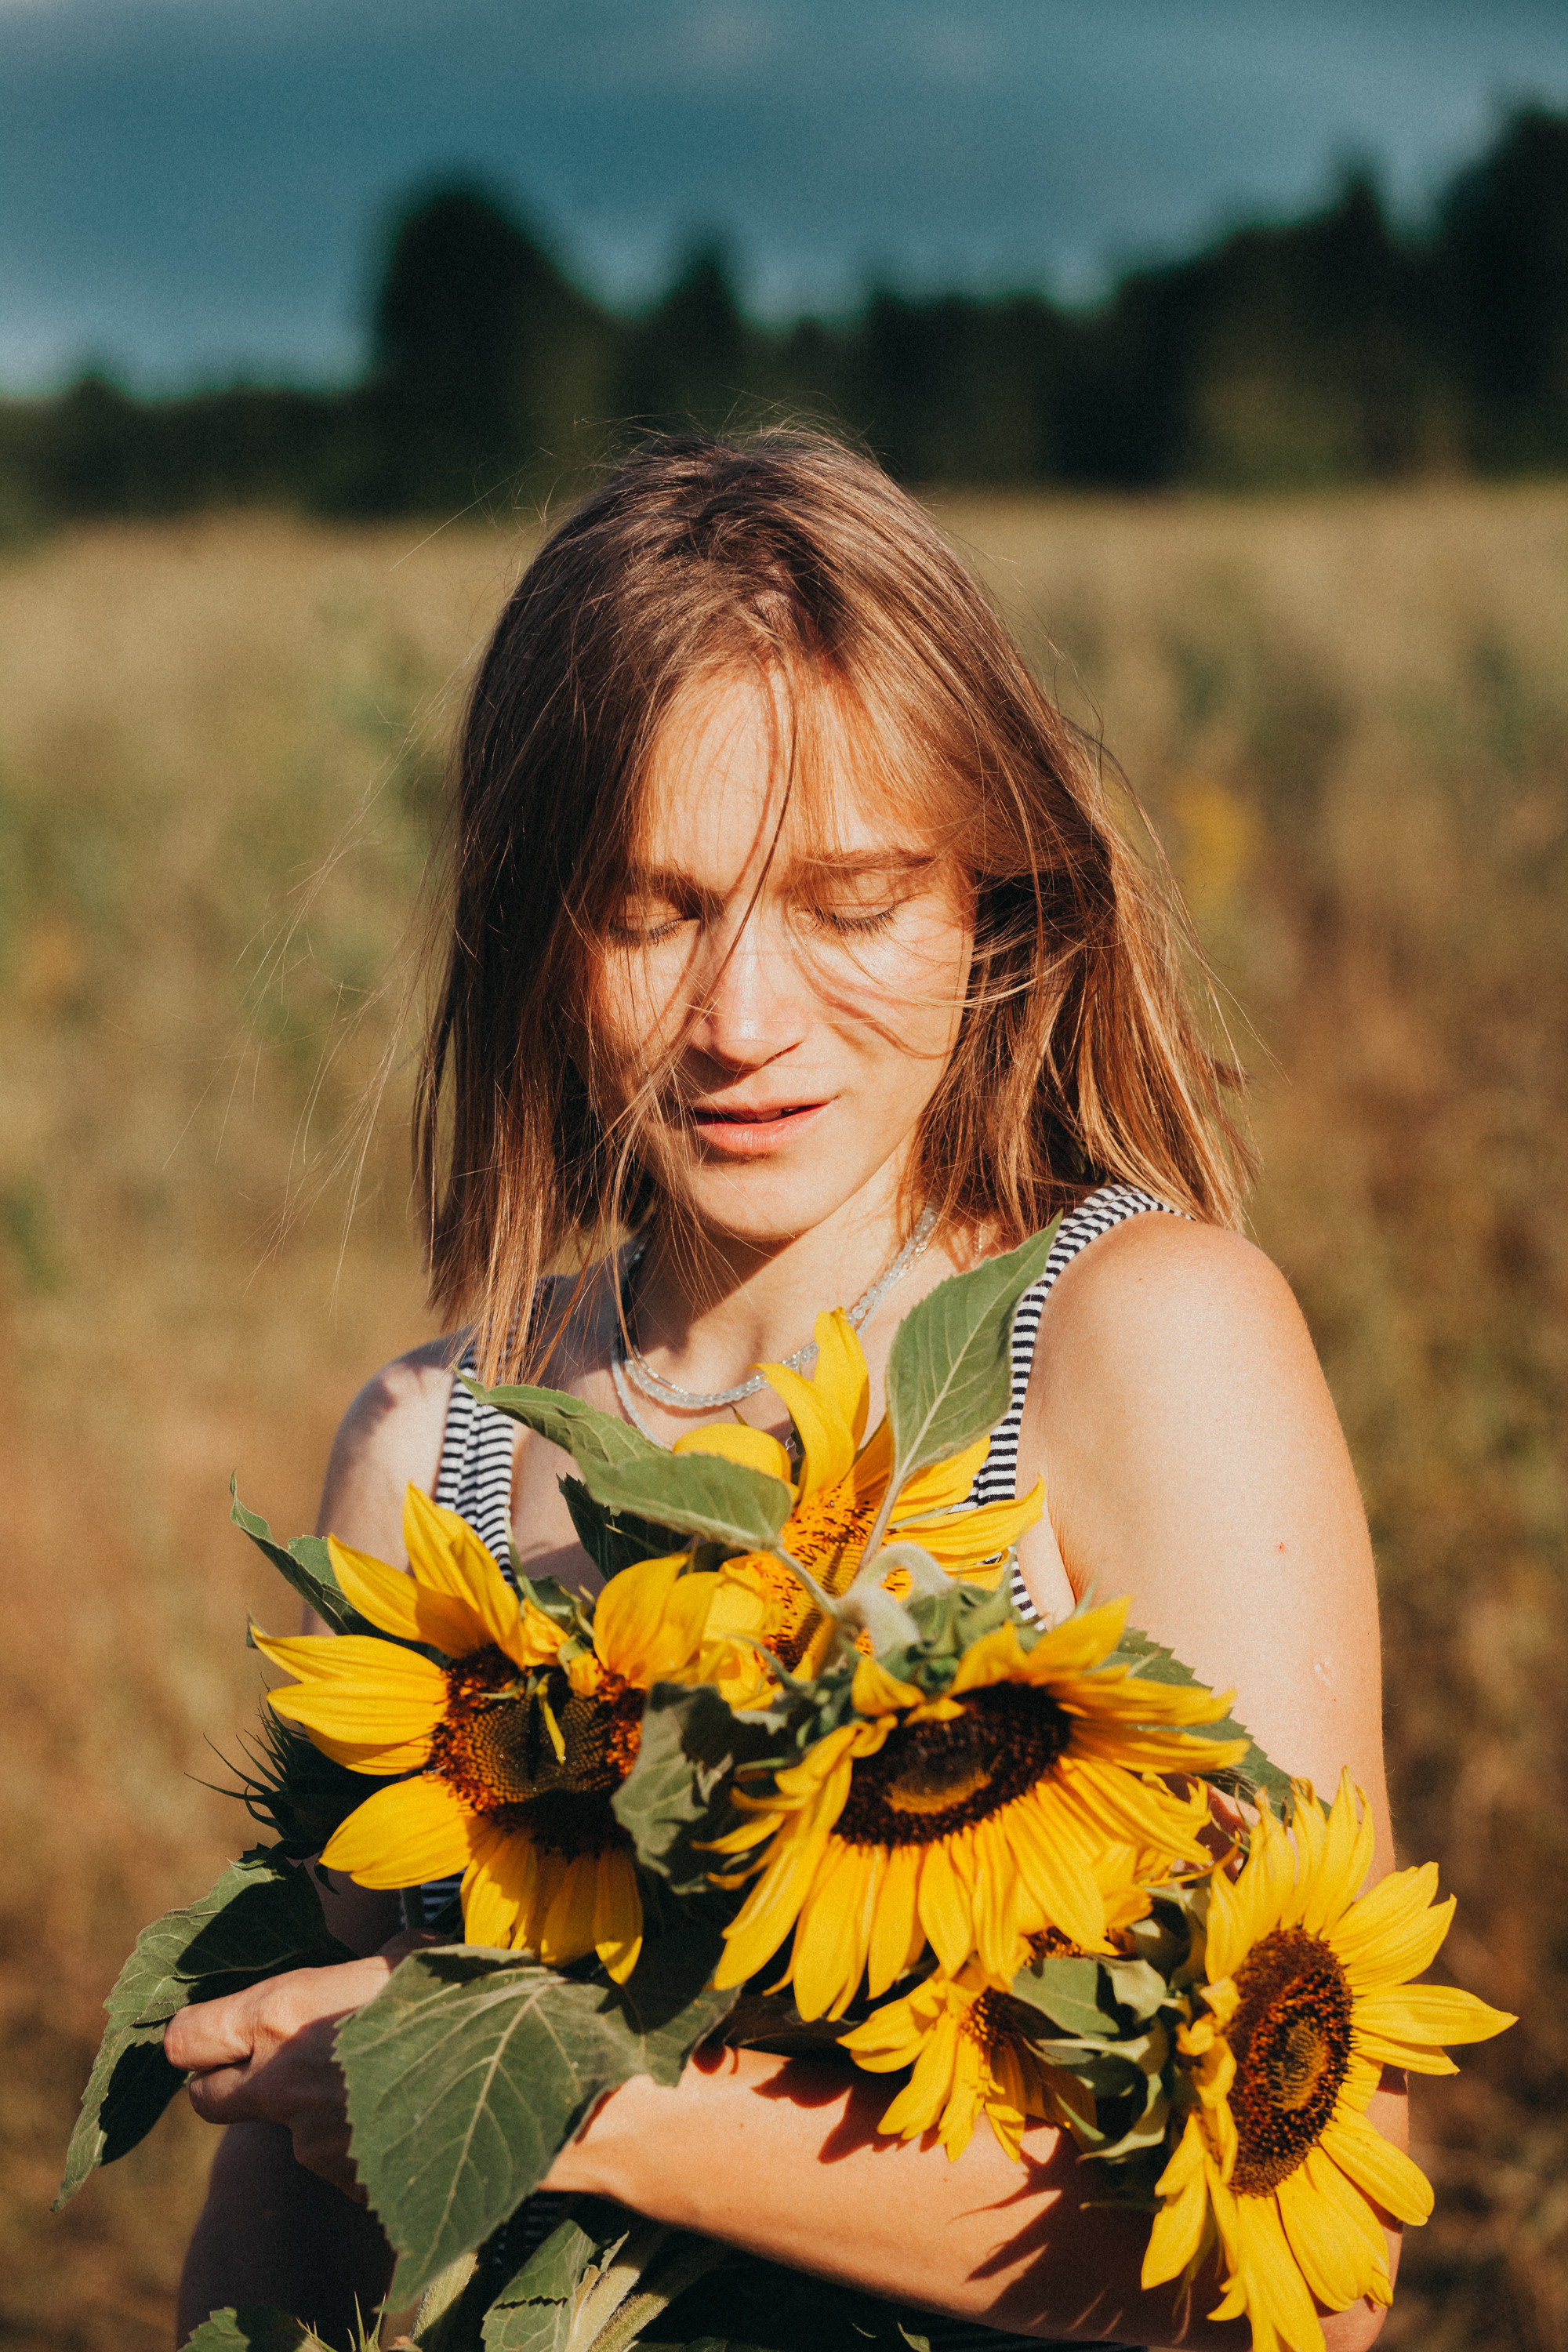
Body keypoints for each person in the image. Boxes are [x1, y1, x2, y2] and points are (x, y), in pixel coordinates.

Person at [166, 433, 1401, 2349]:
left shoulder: (1138, 1349)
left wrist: (592, 2116)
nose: (744, 1023)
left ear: (996, 886)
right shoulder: (436, 1454)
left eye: (850, 899)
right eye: (654, 910)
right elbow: (304, 2170)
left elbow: (1306, 2252)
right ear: (540, 931)